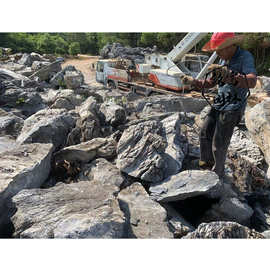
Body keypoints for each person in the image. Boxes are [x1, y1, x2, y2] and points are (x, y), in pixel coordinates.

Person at [183, 32, 257, 177]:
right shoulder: (223, 60)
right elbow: (211, 83)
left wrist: (232, 77)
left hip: (233, 106)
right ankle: (206, 164)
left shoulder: (245, 57)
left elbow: (252, 81)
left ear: (230, 46)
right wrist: (194, 82)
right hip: (219, 103)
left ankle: (218, 173)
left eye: (219, 50)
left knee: (220, 143)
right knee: (205, 132)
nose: (216, 53)